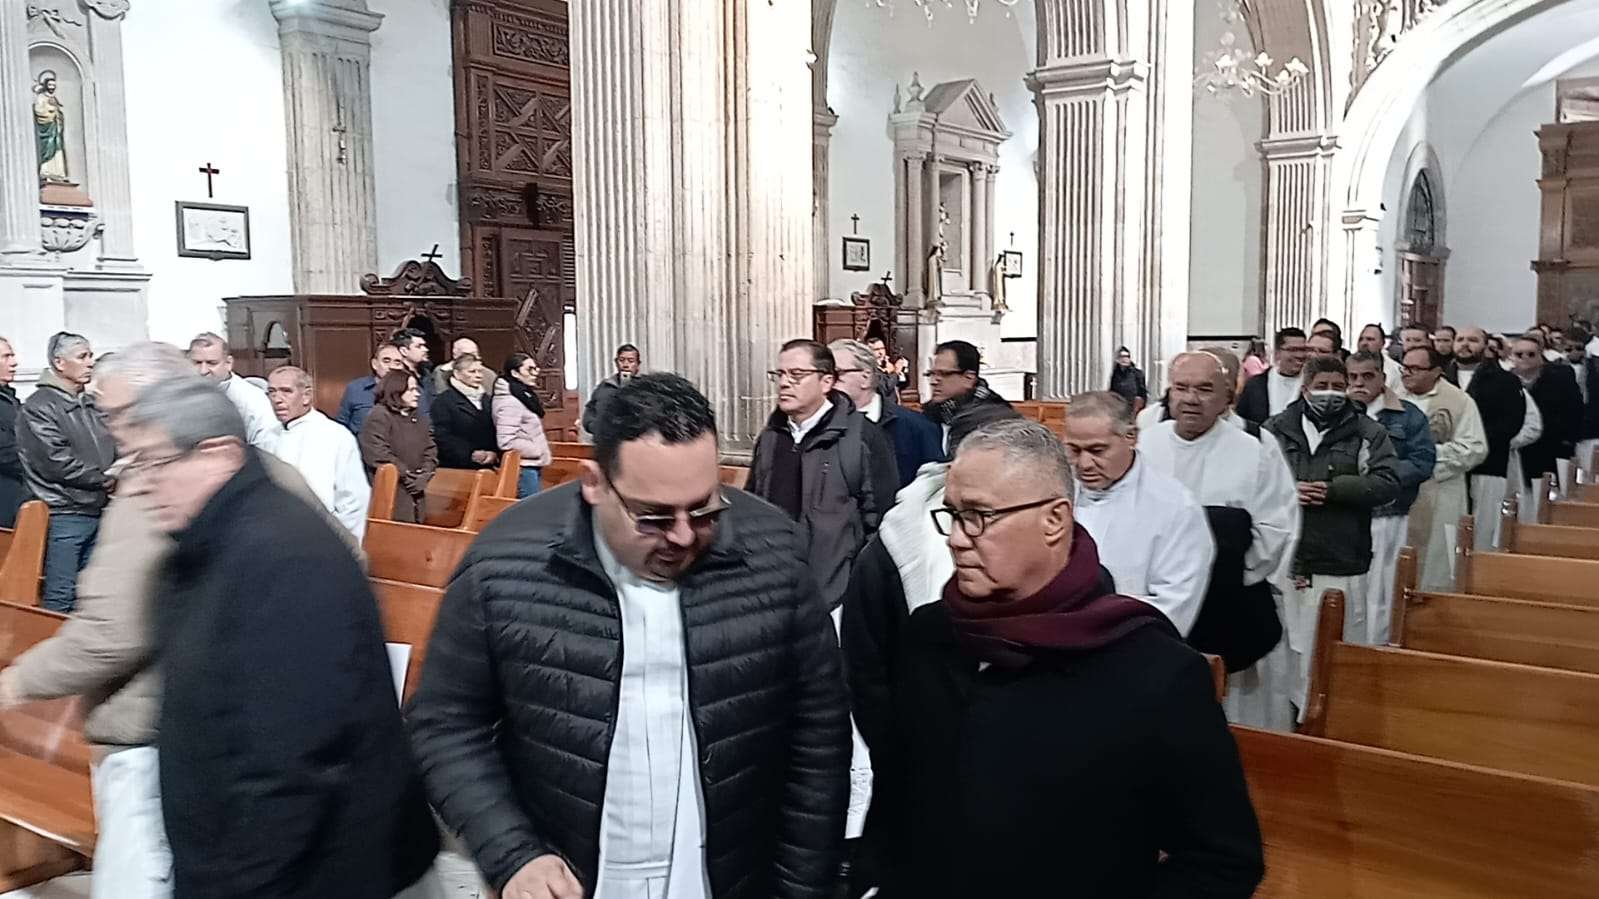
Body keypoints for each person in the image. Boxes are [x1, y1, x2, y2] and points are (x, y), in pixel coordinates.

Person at [407, 372, 850, 899]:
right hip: (577, 875)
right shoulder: (508, 559)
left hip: (731, 874)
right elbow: (446, 724)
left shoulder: (773, 551)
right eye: (654, 517)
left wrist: (802, 888)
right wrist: (512, 853)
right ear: (595, 484)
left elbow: (818, 734)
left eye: (703, 508)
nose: (683, 536)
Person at [0, 343, 362, 899]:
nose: (111, 429)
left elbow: (110, 634)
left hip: (153, 735)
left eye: (117, 413)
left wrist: (14, 684)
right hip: (243, 738)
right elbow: (349, 560)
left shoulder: (154, 490)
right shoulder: (266, 471)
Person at [848, 417, 1263, 897]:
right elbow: (899, 790)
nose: (957, 538)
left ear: (1054, 520)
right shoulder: (930, 634)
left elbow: (1222, 861)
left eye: (979, 516)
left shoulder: (1154, 672)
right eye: (954, 514)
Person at [119, 377, 439, 898]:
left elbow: (295, 763)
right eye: (132, 465)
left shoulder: (285, 559)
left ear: (218, 454)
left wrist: (236, 885)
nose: (138, 485)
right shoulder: (200, 548)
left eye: (154, 463)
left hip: (327, 872)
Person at [1140, 352, 1298, 730]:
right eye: (1181, 388)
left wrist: (1220, 575)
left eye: (1204, 389)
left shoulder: (1254, 449)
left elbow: (1276, 528)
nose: (1191, 399)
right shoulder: (1145, 446)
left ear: (1227, 397)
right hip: (1159, 603)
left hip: (1229, 602)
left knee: (1229, 718)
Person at [1263, 354, 1400, 714]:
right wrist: (1289, 490)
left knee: (1333, 649)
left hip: (1341, 555)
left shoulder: (1367, 431)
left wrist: (1334, 489)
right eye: (1321, 386)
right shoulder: (1276, 429)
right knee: (1290, 651)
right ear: (1305, 388)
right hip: (1289, 557)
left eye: (1338, 386)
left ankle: (1334, 719)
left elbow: (1387, 482)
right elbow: (1255, 481)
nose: (1330, 393)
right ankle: (1289, 722)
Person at [747, 339, 899, 611]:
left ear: (826, 382)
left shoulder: (861, 436)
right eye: (779, 374)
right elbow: (752, 509)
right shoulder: (771, 437)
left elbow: (881, 520)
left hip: (835, 596)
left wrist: (855, 588)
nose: (784, 383)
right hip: (773, 591)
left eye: (796, 374)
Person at [1062, 392, 1215, 635]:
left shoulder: (1176, 507)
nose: (1084, 464)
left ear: (1131, 437)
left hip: (1129, 642)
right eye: (1074, 450)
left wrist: (1090, 626)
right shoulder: (1053, 491)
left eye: (1097, 450)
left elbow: (1172, 606)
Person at [19, 332, 114, 612]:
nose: (90, 362)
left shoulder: (90, 402)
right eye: (82, 357)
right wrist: (107, 479)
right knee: (61, 596)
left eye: (91, 356)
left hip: (97, 506)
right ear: (60, 363)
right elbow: (56, 461)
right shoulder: (40, 406)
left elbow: (112, 443)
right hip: (64, 511)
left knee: (90, 596)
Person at [1345, 351, 1435, 644]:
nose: (1359, 383)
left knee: (1383, 589)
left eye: (1367, 376)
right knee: (1349, 589)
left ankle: (1379, 647)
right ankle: (1349, 647)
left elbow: (1422, 461)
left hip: (1389, 513)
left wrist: (1381, 478)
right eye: (1352, 377)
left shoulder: (1407, 415)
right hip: (1345, 513)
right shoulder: (1335, 415)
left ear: (1382, 378)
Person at [1397, 345, 1487, 589]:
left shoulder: (1459, 401)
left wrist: (1424, 459)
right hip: (1398, 491)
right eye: (1405, 368)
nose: (1407, 373)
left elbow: (1474, 448)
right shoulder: (1393, 397)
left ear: (1436, 371)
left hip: (1441, 490)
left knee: (1436, 560)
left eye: (1415, 368)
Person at [266, 366, 371, 540]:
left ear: (306, 396)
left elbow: (354, 500)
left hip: (321, 536)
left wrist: (336, 541)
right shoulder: (268, 436)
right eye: (271, 392)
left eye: (286, 391)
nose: (277, 399)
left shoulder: (334, 435)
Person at [1455, 326, 1533, 549]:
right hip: (1449, 468)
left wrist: (1472, 441)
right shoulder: (1440, 377)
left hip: (1489, 464)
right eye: (1460, 339)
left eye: (1472, 340)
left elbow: (1511, 423)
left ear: (1485, 345)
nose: (1465, 344)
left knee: (1484, 531)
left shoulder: (1505, 380)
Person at [829, 338, 942, 489]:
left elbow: (934, 487)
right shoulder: (818, 426)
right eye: (823, 375)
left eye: (836, 374)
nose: (827, 383)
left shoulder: (917, 427)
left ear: (865, 378)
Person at [359, 371, 438, 523]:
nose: (417, 394)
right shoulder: (379, 415)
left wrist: (425, 474)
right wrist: (406, 476)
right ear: (396, 391)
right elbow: (377, 453)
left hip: (418, 492)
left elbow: (430, 449)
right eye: (411, 390)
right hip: (392, 491)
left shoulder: (419, 418)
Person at [186, 332, 280, 454]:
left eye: (211, 363)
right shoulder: (179, 394)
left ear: (228, 363)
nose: (203, 371)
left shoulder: (252, 399)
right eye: (197, 363)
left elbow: (266, 449)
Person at [1512, 333, 1583, 489]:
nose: (1525, 358)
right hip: (1520, 449)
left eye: (1531, 354)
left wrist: (1569, 441)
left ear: (1540, 356)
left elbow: (1575, 409)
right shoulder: (1505, 380)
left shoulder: (1560, 376)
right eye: (1519, 354)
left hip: (1554, 446)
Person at [921, 339, 1011, 448]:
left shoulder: (998, 422)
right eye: (931, 374)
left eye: (943, 374)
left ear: (969, 378)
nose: (933, 381)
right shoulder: (931, 415)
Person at [493, 352, 552, 497]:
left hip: (530, 464)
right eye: (529, 369)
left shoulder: (523, 395)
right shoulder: (510, 401)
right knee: (532, 509)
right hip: (523, 467)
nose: (535, 373)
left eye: (535, 369)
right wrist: (536, 450)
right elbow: (506, 441)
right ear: (515, 373)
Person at [431, 352, 500, 470]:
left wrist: (494, 454)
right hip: (457, 467)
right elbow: (441, 436)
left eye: (480, 371)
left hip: (489, 465)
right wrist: (470, 454)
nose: (478, 376)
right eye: (472, 372)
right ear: (457, 374)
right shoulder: (444, 402)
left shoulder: (488, 400)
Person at [1236, 327, 1309, 424]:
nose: (1299, 355)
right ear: (1278, 353)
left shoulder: (1311, 385)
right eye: (1293, 350)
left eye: (1303, 350)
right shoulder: (1256, 385)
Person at [335, 343, 407, 435]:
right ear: (375, 364)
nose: (391, 366)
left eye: (397, 363)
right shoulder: (356, 388)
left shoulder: (410, 391)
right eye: (386, 361)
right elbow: (341, 425)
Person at [582, 342, 641, 435]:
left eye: (631, 361)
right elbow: (590, 409)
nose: (625, 365)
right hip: (605, 438)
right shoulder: (605, 386)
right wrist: (594, 426)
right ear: (616, 362)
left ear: (637, 364)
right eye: (622, 360)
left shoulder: (644, 388)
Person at [0, 338, 27, 528]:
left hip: (18, 498)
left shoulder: (10, 399)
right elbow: (5, 451)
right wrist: (40, 463)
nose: (14, 362)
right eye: (6, 356)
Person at [1564, 329, 1599, 471]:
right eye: (1568, 348)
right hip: (1568, 429)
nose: (1574, 352)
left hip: (1591, 427)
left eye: (1578, 348)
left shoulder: (1594, 367)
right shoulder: (1555, 368)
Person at [391, 327, 436, 417]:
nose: (425, 349)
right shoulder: (397, 377)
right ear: (404, 351)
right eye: (419, 346)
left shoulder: (426, 374)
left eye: (424, 345)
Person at [1358, 323, 1405, 393]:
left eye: (1370, 339)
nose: (1364, 343)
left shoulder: (1394, 370)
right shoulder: (1348, 364)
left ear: (1382, 343)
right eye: (1361, 339)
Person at [866, 335, 908, 403]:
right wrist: (896, 372)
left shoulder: (887, 364)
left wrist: (902, 370)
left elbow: (902, 384)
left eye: (882, 348)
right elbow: (885, 387)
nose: (881, 352)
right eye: (876, 349)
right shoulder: (868, 368)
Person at [1107, 346, 1149, 412]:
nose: (1124, 359)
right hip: (1119, 408)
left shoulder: (1137, 374)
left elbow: (1143, 394)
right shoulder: (1115, 374)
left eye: (1127, 356)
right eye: (1122, 356)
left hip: (1133, 409)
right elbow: (1112, 391)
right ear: (1117, 359)